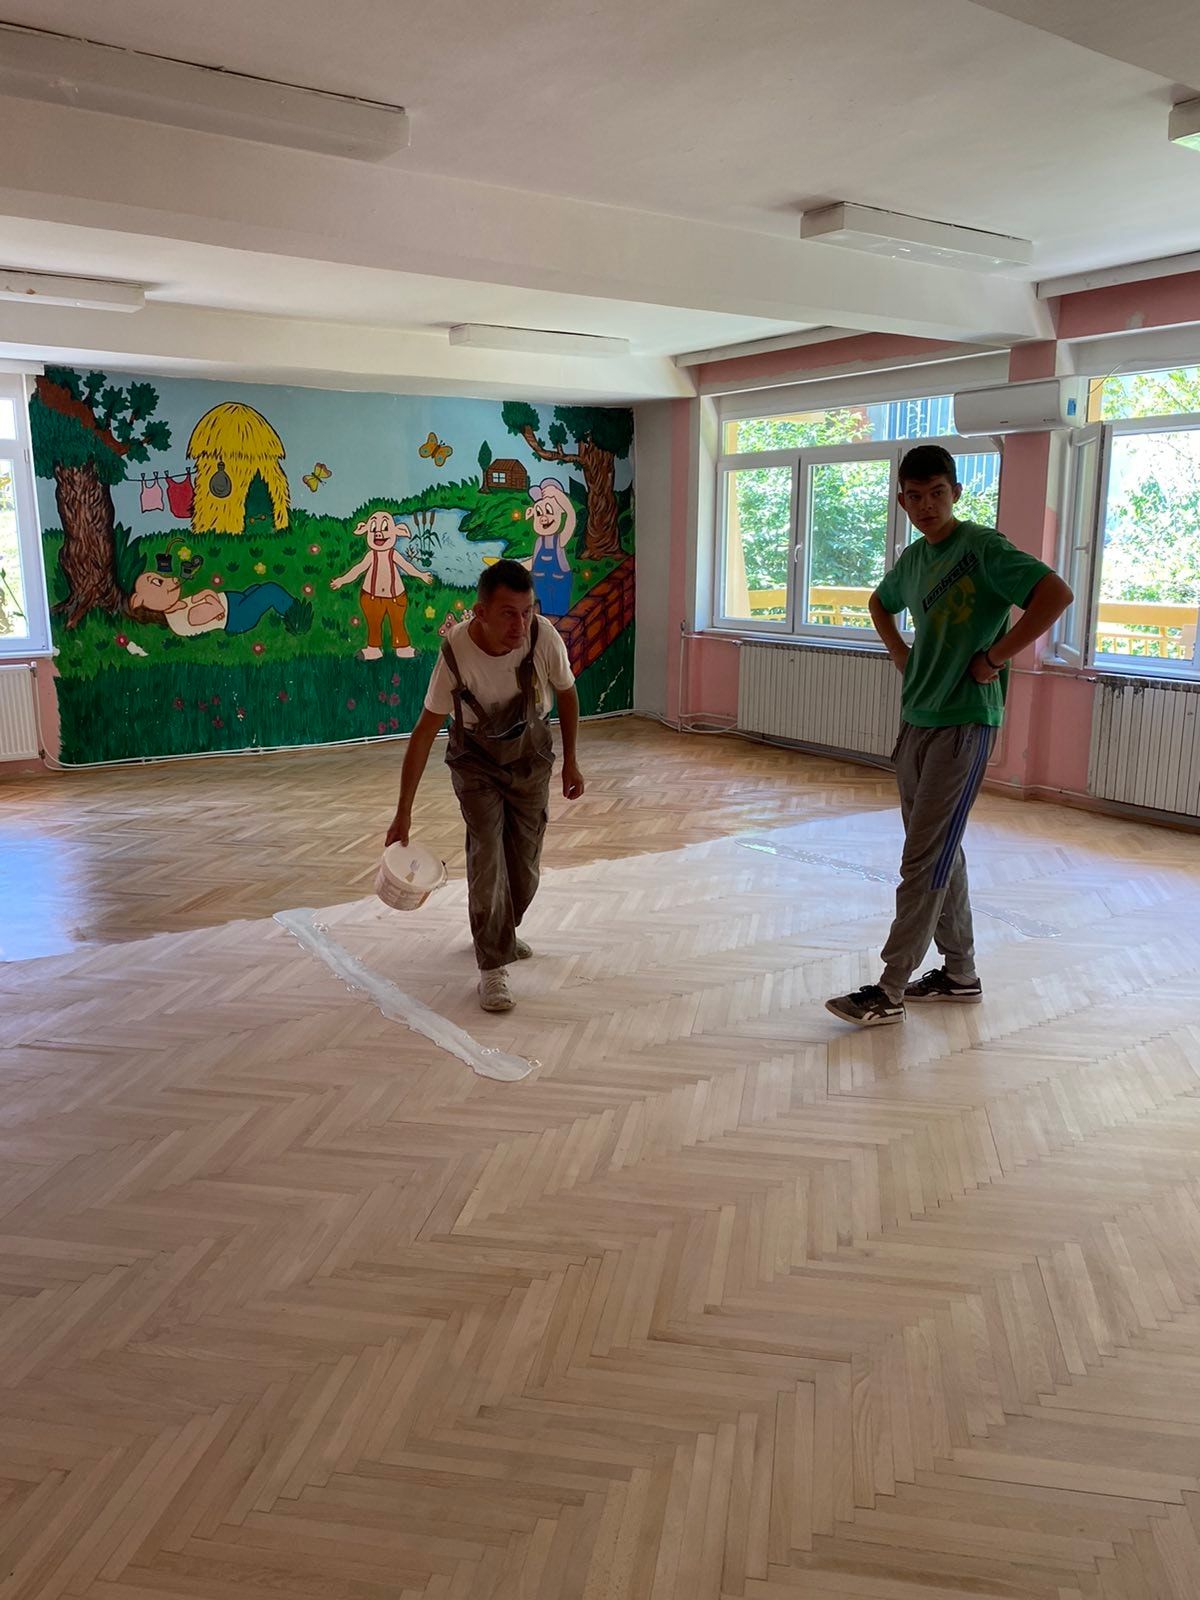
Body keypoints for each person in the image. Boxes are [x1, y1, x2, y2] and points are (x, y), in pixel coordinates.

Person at [826, 445, 1072, 1028]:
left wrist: (996, 657)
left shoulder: (983, 548)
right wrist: (899, 652)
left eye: (937, 493)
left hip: (965, 722)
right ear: (902, 500)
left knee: (924, 857)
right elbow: (879, 603)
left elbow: (1055, 595)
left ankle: (890, 989)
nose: (926, 506)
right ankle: (960, 974)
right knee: (940, 851)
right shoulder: (914, 559)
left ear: (956, 493)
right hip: (917, 720)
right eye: (914, 496)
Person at [386, 560, 585, 1013]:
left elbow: (567, 693)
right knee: (487, 857)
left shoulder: (543, 638)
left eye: (527, 611)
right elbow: (423, 732)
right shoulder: (455, 653)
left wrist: (571, 762)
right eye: (508, 613)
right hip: (475, 765)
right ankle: (492, 965)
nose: (520, 624)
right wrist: (403, 813)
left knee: (524, 868)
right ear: (480, 612)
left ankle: (501, 932)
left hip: (531, 760)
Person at [128, 571, 313, 637]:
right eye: (159, 583)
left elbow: (204, 597)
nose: (172, 579)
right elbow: (215, 609)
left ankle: (286, 611)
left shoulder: (177, 606)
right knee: (269, 590)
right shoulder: (180, 620)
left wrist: (208, 596)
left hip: (234, 604)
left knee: (257, 588)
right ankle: (297, 618)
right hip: (237, 616)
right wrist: (209, 597)